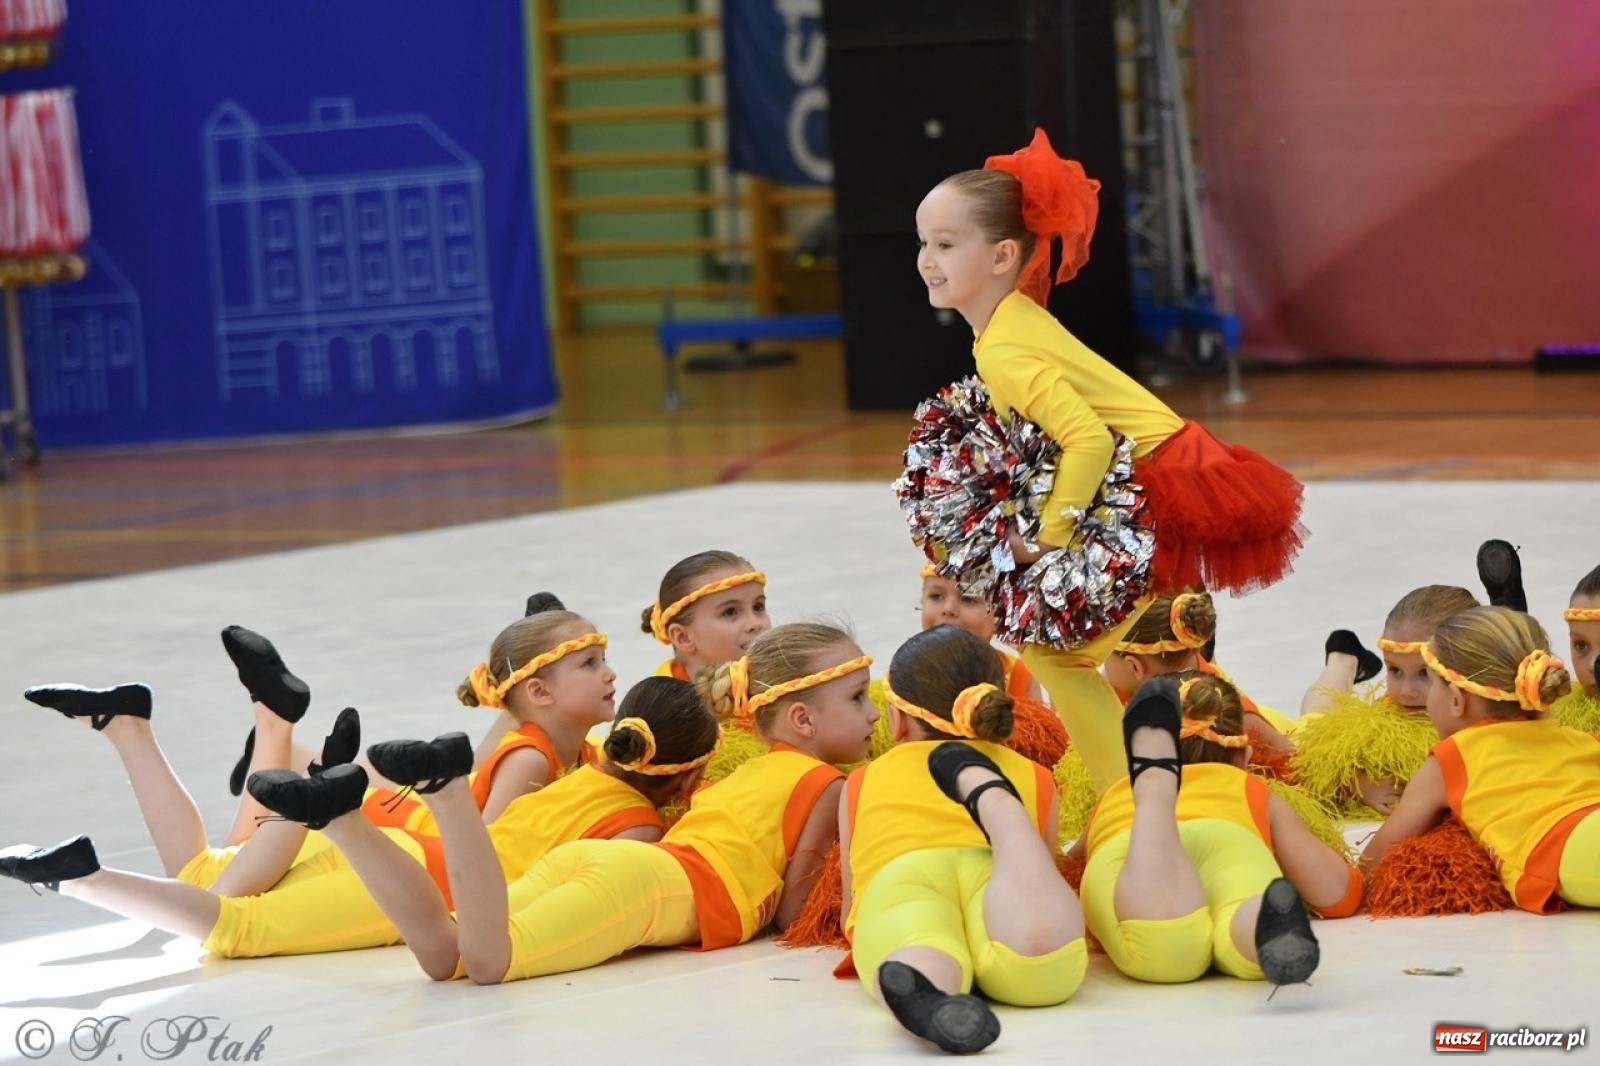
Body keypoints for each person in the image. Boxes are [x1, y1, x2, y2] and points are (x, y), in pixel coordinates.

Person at [910, 128, 1304, 796]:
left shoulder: (1003, 348)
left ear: (1004, 255)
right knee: (1060, 652)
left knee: (1058, 658)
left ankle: (1128, 798)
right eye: (922, 242)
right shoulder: (1010, 319)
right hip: (1156, 471)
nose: (927, 259)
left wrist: (1048, 537)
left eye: (946, 245)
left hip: (1166, 482)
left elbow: (1088, 441)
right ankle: (1141, 786)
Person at [239, 623, 876, 984]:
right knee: (489, 965)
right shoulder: (831, 785)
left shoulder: (750, 774)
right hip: (645, 882)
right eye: (857, 700)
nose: (873, 712)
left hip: (603, 863)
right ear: (801, 718)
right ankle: (452, 795)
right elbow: (798, 907)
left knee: (444, 953)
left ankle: (345, 819)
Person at [0, 677, 713, 958]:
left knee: (207, 878)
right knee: (234, 930)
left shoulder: (576, 761)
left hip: (397, 837)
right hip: (421, 881)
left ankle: (127, 726)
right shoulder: (637, 825)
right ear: (688, 771)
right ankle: (81, 879)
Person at [841, 626, 1084, 1055]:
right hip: (995, 870)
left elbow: (851, 900)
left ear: (898, 719)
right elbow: (1045, 869)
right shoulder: (1037, 777)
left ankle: (926, 985)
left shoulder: (863, 780)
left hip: (904, 875)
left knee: (915, 940)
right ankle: (1032, 948)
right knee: (1043, 970)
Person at [1074, 673, 1361, 986]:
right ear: (1245, 756)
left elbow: (1071, 866)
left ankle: (1155, 791)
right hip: (1231, 843)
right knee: (1237, 910)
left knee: (1165, 950)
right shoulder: (1250, 789)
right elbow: (1334, 893)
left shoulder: (1114, 795)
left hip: (1132, 844)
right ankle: (1257, 922)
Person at [1360, 606, 1598, 913]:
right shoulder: (1578, 738)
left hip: (1570, 847)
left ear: (1457, 701)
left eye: (1431, 682)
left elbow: (1372, 865)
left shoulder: (1452, 757)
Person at [375, 609, 617, 828]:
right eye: (589, 663)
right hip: (418, 831)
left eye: (603, 660)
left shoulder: (584, 752)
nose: (610, 674)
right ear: (540, 691)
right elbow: (491, 845)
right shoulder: (530, 761)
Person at [1292, 585, 1479, 814]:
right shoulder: (1391, 715)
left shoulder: (1488, 718)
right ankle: (1343, 659)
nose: (1406, 691)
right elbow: (1309, 765)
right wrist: (1358, 783)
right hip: (1370, 721)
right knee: (1313, 722)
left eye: (1424, 673)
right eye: (1395, 670)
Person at [644, 550, 771, 682]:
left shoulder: (783, 682)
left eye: (758, 607)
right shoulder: (660, 701)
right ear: (683, 637)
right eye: (730, 612)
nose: (755, 623)